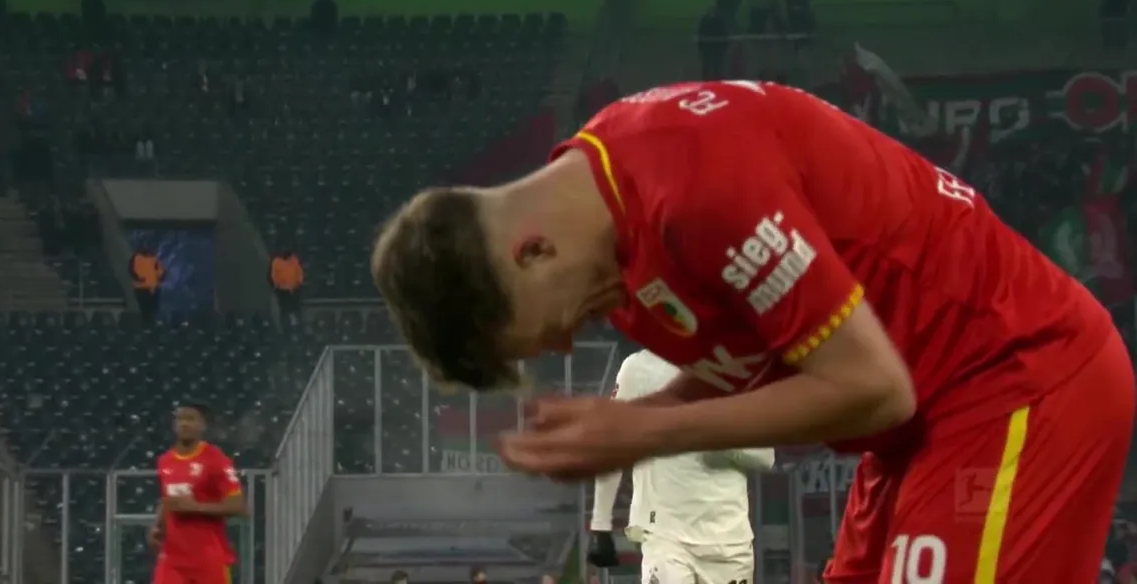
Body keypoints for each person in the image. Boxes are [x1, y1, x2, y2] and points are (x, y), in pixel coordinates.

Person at [370, 80, 1136, 583]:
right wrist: (639, 419)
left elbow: (872, 388)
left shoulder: (698, 186)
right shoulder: (613, 247)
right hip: (916, 430)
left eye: (543, 333)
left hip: (1015, 379)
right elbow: (771, 358)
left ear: (531, 251)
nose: (567, 345)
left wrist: (644, 434)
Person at [590, 351, 772, 584]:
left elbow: (766, 457)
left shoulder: (737, 366)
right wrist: (600, 524)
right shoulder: (638, 368)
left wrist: (723, 440)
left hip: (730, 538)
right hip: (664, 533)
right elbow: (612, 445)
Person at [151, 402, 245, 584]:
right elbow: (168, 499)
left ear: (203, 425)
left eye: (191, 419)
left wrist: (195, 507)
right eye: (180, 419)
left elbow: (237, 505)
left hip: (208, 557)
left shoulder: (216, 459)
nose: (184, 424)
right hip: (172, 558)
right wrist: (157, 526)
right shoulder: (165, 460)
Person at [130, 245, 164, 326]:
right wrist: (139, 278)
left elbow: (161, 271)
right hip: (142, 288)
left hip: (154, 288)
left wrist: (160, 277)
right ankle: (146, 326)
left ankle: (152, 325)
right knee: (145, 310)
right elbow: (132, 271)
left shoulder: (154, 259)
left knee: (153, 310)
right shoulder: (137, 258)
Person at [268, 251, 303, 322]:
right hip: (282, 289)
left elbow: (299, 273)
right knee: (284, 307)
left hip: (292, 289)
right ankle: (286, 320)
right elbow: (274, 275)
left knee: (293, 306)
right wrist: (277, 285)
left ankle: (295, 319)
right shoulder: (277, 262)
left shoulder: (294, 261)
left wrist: (298, 283)